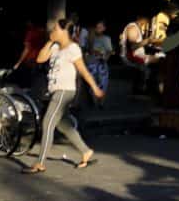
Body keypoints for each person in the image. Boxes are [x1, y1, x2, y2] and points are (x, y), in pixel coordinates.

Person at [22, 19, 104, 174]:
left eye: (55, 29)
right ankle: (85, 151)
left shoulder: (73, 49)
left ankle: (40, 163)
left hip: (64, 91)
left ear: (64, 31)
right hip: (54, 90)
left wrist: (95, 88)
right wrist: (49, 42)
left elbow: (83, 70)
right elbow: (40, 59)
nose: (52, 31)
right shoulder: (55, 47)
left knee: (48, 123)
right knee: (63, 124)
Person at [84, 20, 113, 108]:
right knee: (92, 83)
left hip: (101, 63)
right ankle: (95, 102)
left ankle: (101, 102)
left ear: (104, 28)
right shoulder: (90, 38)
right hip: (91, 63)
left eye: (100, 27)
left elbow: (109, 51)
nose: (98, 29)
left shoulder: (106, 38)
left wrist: (105, 58)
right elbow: (88, 50)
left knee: (103, 83)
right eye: (97, 27)